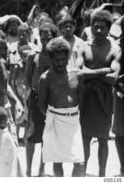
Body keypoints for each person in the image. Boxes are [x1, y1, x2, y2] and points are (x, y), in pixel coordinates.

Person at [77, 10, 121, 177]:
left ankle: (102, 176)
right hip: (86, 99)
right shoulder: (84, 46)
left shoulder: (115, 49)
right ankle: (82, 174)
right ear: (91, 27)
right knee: (85, 138)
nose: (99, 31)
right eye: (95, 27)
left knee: (103, 139)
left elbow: (113, 78)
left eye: (102, 28)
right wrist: (103, 70)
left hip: (104, 100)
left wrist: (91, 74)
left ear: (109, 28)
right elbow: (79, 73)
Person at [38, 37, 85, 177]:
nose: (59, 63)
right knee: (57, 161)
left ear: (68, 56)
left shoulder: (78, 75)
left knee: (79, 162)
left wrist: (73, 115)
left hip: (73, 121)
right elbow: (41, 104)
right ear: (50, 59)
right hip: (55, 121)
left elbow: (81, 100)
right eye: (56, 60)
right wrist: (52, 117)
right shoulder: (45, 78)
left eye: (63, 59)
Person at [24, 23, 58, 177]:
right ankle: (28, 169)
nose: (45, 37)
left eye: (48, 35)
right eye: (43, 34)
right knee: (31, 135)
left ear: (54, 37)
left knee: (47, 136)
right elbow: (28, 79)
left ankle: (41, 169)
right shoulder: (33, 55)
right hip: (35, 98)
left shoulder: (57, 57)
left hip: (52, 99)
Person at [113, 17, 124, 176]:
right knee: (120, 132)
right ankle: (123, 168)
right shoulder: (117, 47)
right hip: (121, 91)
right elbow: (113, 70)